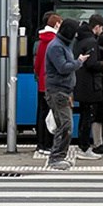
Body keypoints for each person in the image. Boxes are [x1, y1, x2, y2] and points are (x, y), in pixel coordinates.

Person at [44, 18, 89, 170]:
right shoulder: (57, 46)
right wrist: (79, 62)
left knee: (64, 125)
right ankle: (56, 157)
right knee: (65, 126)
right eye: (75, 31)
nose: (76, 35)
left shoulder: (62, 44)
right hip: (58, 91)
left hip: (63, 91)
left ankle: (58, 156)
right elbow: (63, 67)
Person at [72, 14, 103, 158]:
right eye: (101, 28)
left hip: (80, 82)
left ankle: (82, 146)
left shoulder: (80, 39)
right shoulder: (91, 41)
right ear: (96, 27)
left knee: (84, 116)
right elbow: (91, 64)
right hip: (90, 84)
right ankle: (84, 148)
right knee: (88, 117)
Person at [32, 12, 61, 157]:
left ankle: (40, 143)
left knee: (42, 113)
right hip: (52, 83)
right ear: (56, 25)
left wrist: (39, 75)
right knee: (51, 115)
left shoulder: (42, 40)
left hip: (43, 82)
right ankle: (47, 143)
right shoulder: (55, 41)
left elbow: (37, 64)